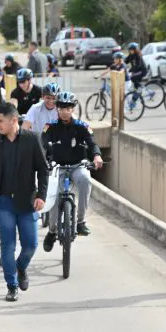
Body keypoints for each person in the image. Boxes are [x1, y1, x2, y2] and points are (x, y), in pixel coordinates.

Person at [0, 104, 49, 302]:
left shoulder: (32, 139)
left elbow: (42, 168)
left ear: (13, 120)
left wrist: (41, 195)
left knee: (31, 245)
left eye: (0, 121)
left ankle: (21, 267)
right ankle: (11, 285)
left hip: (27, 201)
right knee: (8, 245)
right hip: (2, 202)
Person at [40, 91, 104, 252]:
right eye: (61, 107)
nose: (64, 111)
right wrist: (42, 159)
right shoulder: (51, 127)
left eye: (67, 108)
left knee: (85, 180)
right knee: (54, 196)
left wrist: (96, 156)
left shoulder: (82, 127)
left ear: (73, 109)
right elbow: (43, 143)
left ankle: (81, 222)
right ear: (57, 109)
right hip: (57, 167)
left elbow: (92, 143)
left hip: (77, 165)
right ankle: (52, 231)